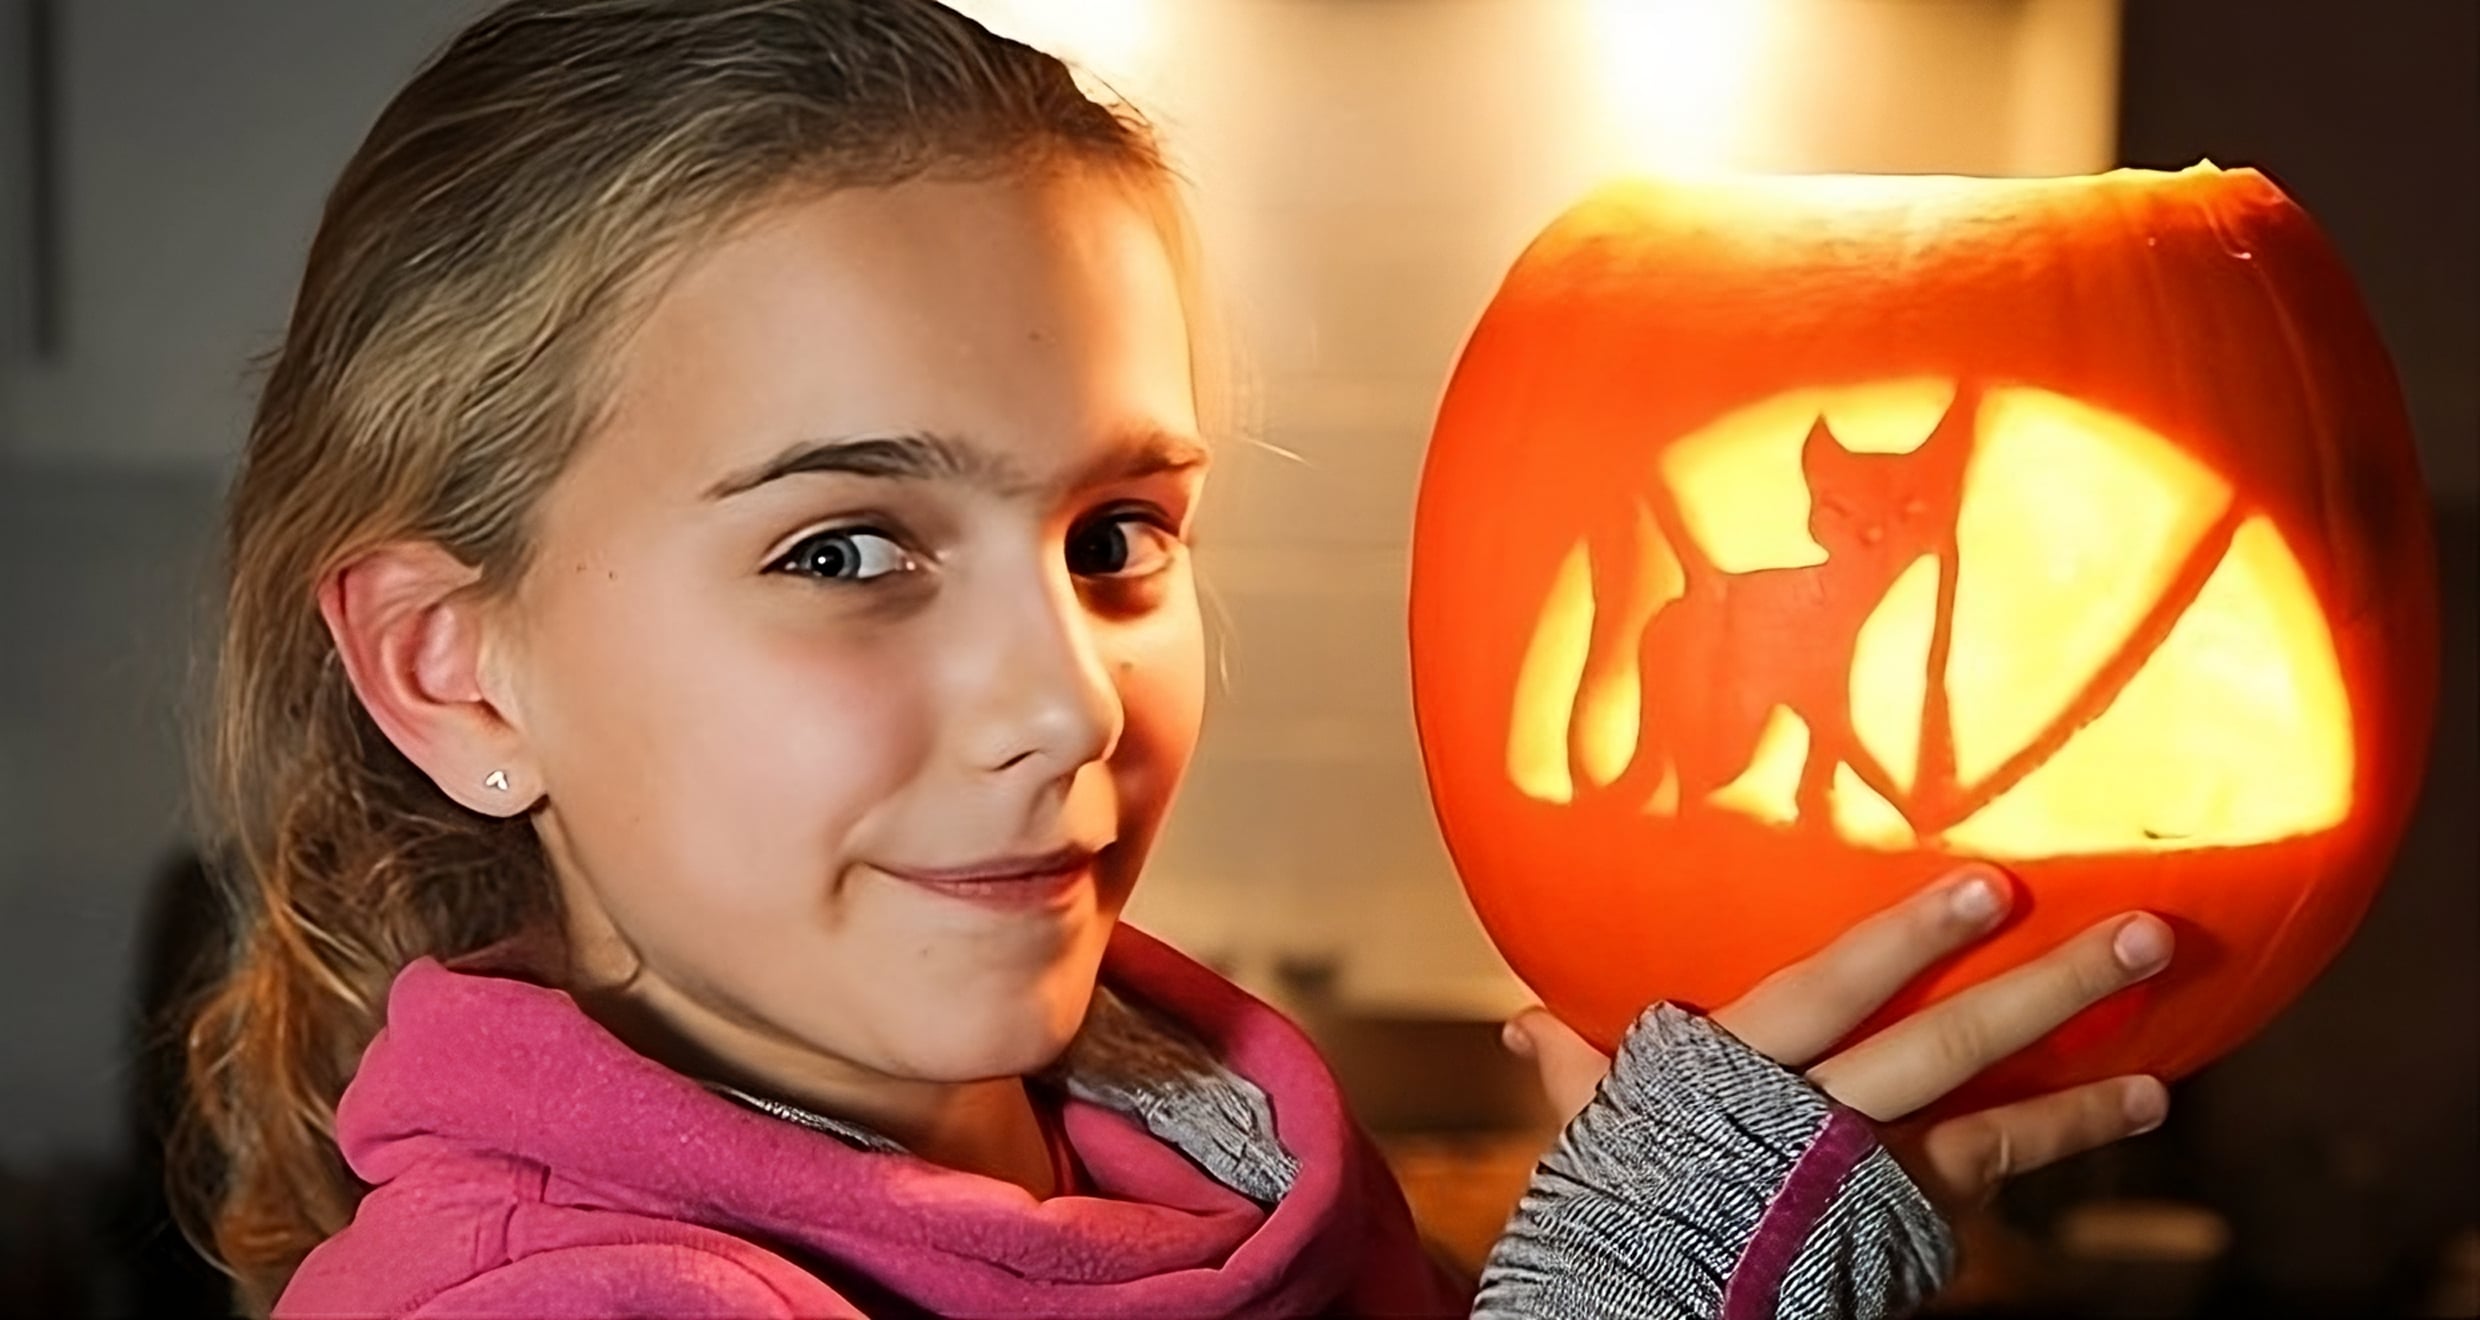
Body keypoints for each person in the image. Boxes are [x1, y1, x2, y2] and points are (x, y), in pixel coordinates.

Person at [172, 2, 2175, 1316]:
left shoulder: (1211, 1157)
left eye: (1115, 536)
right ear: (456, 671)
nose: (1067, 703)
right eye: (845, 548)